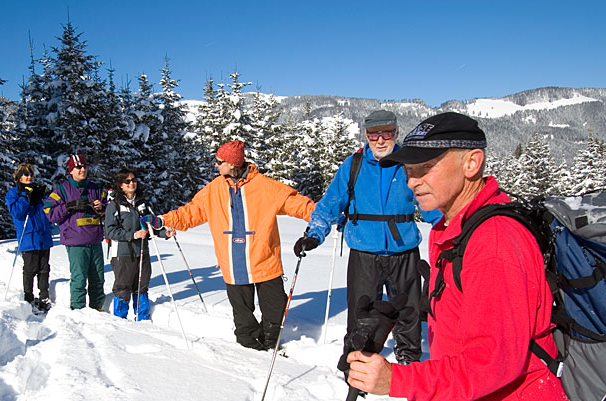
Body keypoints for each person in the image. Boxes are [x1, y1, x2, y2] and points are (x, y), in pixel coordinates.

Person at [346, 112, 571, 401]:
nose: (413, 180)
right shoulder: (452, 225)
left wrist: (395, 381)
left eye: (425, 167)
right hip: (467, 397)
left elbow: (491, 364)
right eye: (409, 169)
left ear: (472, 164)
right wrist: (391, 315)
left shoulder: (495, 242)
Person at [294, 110, 442, 365]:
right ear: (366, 135)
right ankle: (358, 360)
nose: (381, 140)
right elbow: (330, 204)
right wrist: (314, 234)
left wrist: (453, 232)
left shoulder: (409, 165)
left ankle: (409, 360)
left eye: (386, 133)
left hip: (404, 252)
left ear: (396, 133)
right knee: (362, 312)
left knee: (409, 312)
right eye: (374, 134)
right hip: (364, 252)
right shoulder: (354, 165)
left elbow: (432, 206)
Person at [147, 140, 314, 350]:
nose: (216, 166)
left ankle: (269, 346)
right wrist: (164, 220)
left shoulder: (265, 186)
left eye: (219, 161)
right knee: (243, 320)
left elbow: (297, 203)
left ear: (233, 164)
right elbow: (190, 213)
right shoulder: (214, 189)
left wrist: (323, 216)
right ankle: (247, 353)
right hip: (234, 264)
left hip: (265, 261)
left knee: (275, 311)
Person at [104, 168, 174, 320]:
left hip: (142, 251)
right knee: (123, 287)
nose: (131, 184)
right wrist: (133, 235)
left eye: (133, 180)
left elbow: (151, 226)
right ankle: (120, 319)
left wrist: (164, 233)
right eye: (127, 181)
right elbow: (109, 231)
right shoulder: (114, 205)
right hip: (122, 253)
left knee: (141, 286)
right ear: (120, 185)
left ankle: (142, 318)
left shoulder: (143, 204)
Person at [44, 154, 107, 310]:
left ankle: (98, 308)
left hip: (95, 239)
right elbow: (48, 211)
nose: (82, 170)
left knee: (98, 278)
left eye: (84, 166)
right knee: (79, 279)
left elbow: (109, 207)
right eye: (78, 167)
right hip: (76, 242)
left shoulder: (96, 188)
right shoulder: (62, 190)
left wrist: (102, 207)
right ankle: (78, 310)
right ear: (71, 171)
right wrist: (68, 206)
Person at [6, 163, 53, 312]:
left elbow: (48, 211)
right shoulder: (14, 193)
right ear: (19, 177)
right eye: (25, 174)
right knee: (31, 268)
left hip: (43, 234)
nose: (29, 177)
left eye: (31, 174)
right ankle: (28, 296)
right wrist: (25, 196)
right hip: (28, 235)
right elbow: (17, 213)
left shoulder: (36, 190)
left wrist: (44, 197)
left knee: (44, 268)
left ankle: (44, 295)